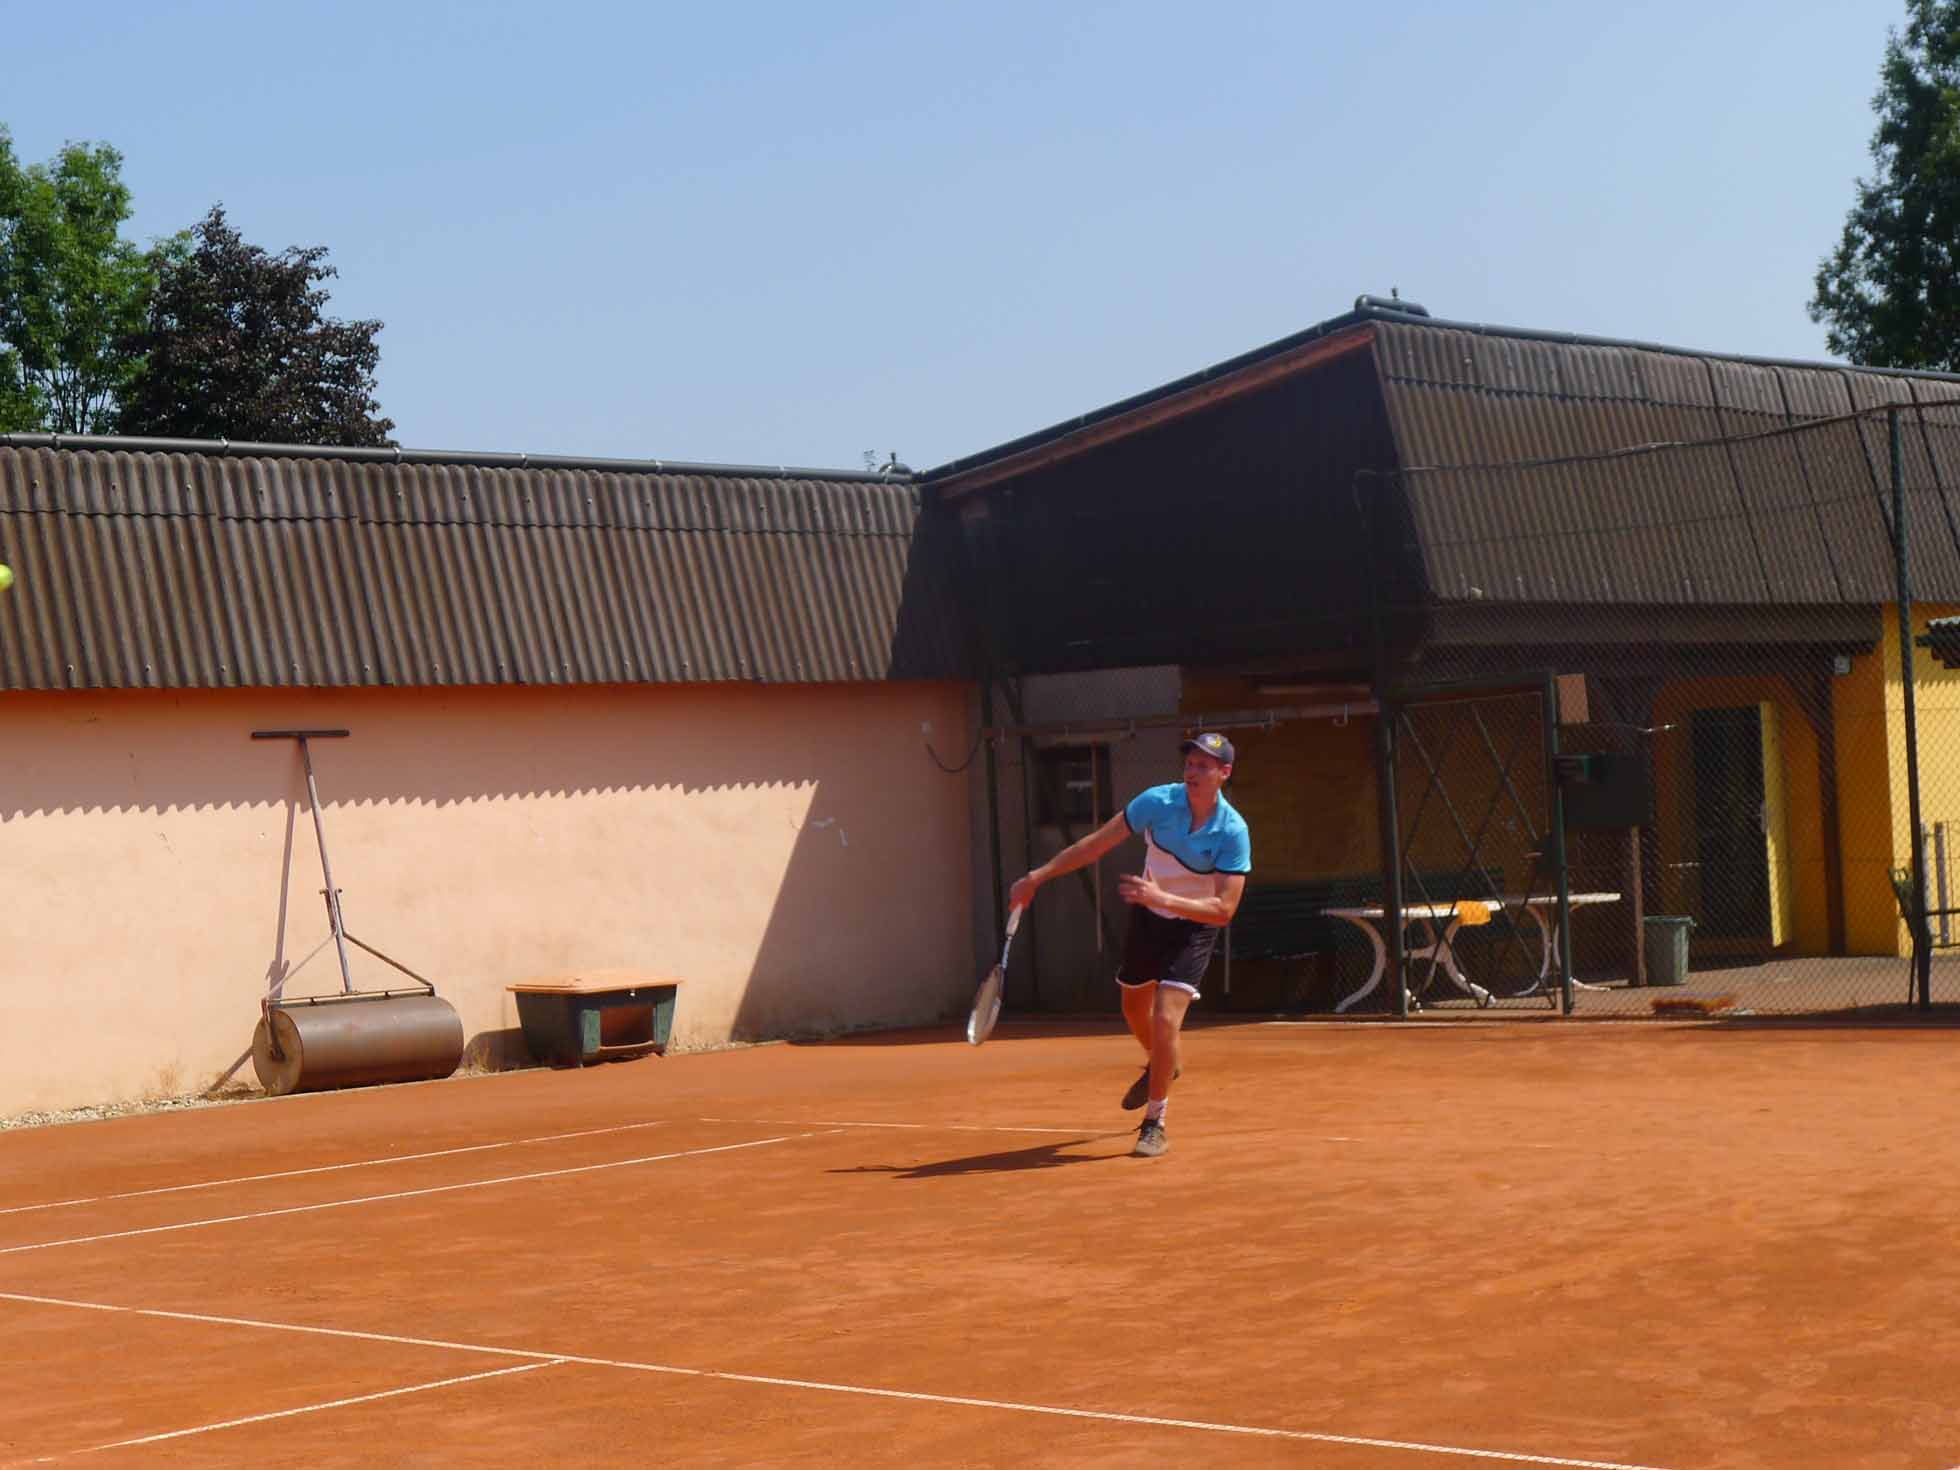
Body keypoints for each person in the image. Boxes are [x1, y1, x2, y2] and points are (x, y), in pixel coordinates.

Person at [1008, 732, 1251, 1158]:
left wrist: (1164, 898)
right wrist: (1038, 876)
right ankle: (1164, 1062)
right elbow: (1096, 844)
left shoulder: (1232, 831)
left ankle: (1155, 1122)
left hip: (1194, 927)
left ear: (1224, 773)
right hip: (1148, 919)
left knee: (1165, 1019)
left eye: (1204, 766)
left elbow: (1224, 909)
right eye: (1189, 763)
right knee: (1133, 1010)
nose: (1192, 771)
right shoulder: (1157, 802)